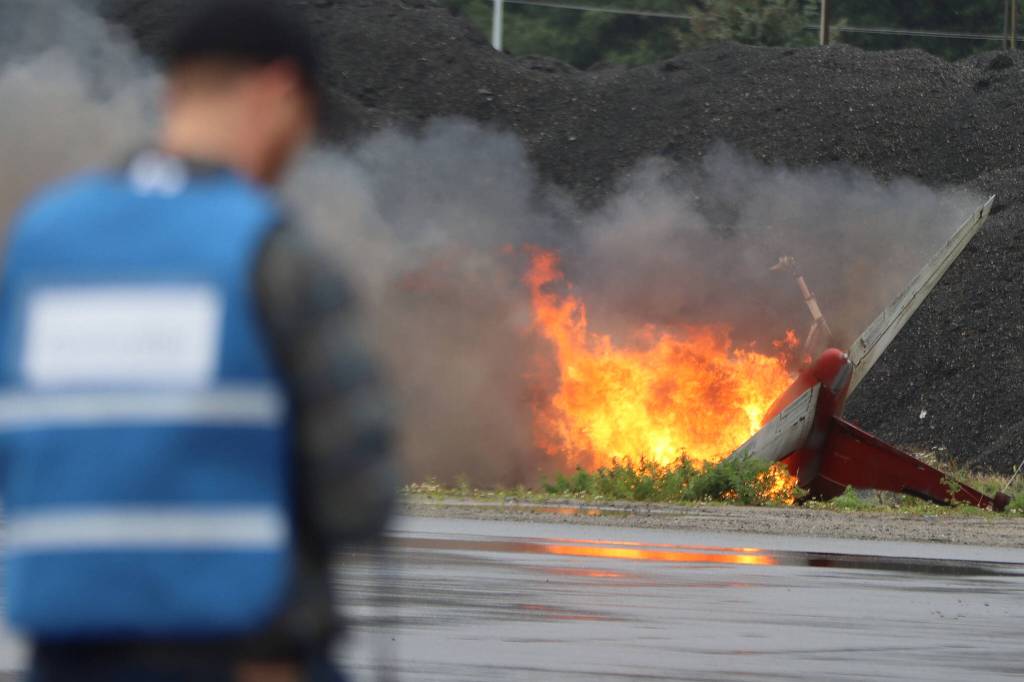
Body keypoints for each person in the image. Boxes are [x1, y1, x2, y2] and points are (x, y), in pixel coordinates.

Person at [0, 1, 398, 680]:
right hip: (241, 655)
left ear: (173, 90)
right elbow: (358, 497)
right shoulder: (271, 252)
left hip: (61, 654)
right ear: (279, 91)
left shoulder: (39, 242)